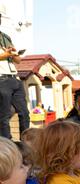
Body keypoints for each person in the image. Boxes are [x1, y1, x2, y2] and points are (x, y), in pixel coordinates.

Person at [0, 5, 29, 139]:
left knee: (24, 112)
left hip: (14, 78)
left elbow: (17, 60)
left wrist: (13, 53)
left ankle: (26, 141)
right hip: (1, 79)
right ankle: (7, 145)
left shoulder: (5, 36)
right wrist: (6, 54)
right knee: (4, 116)